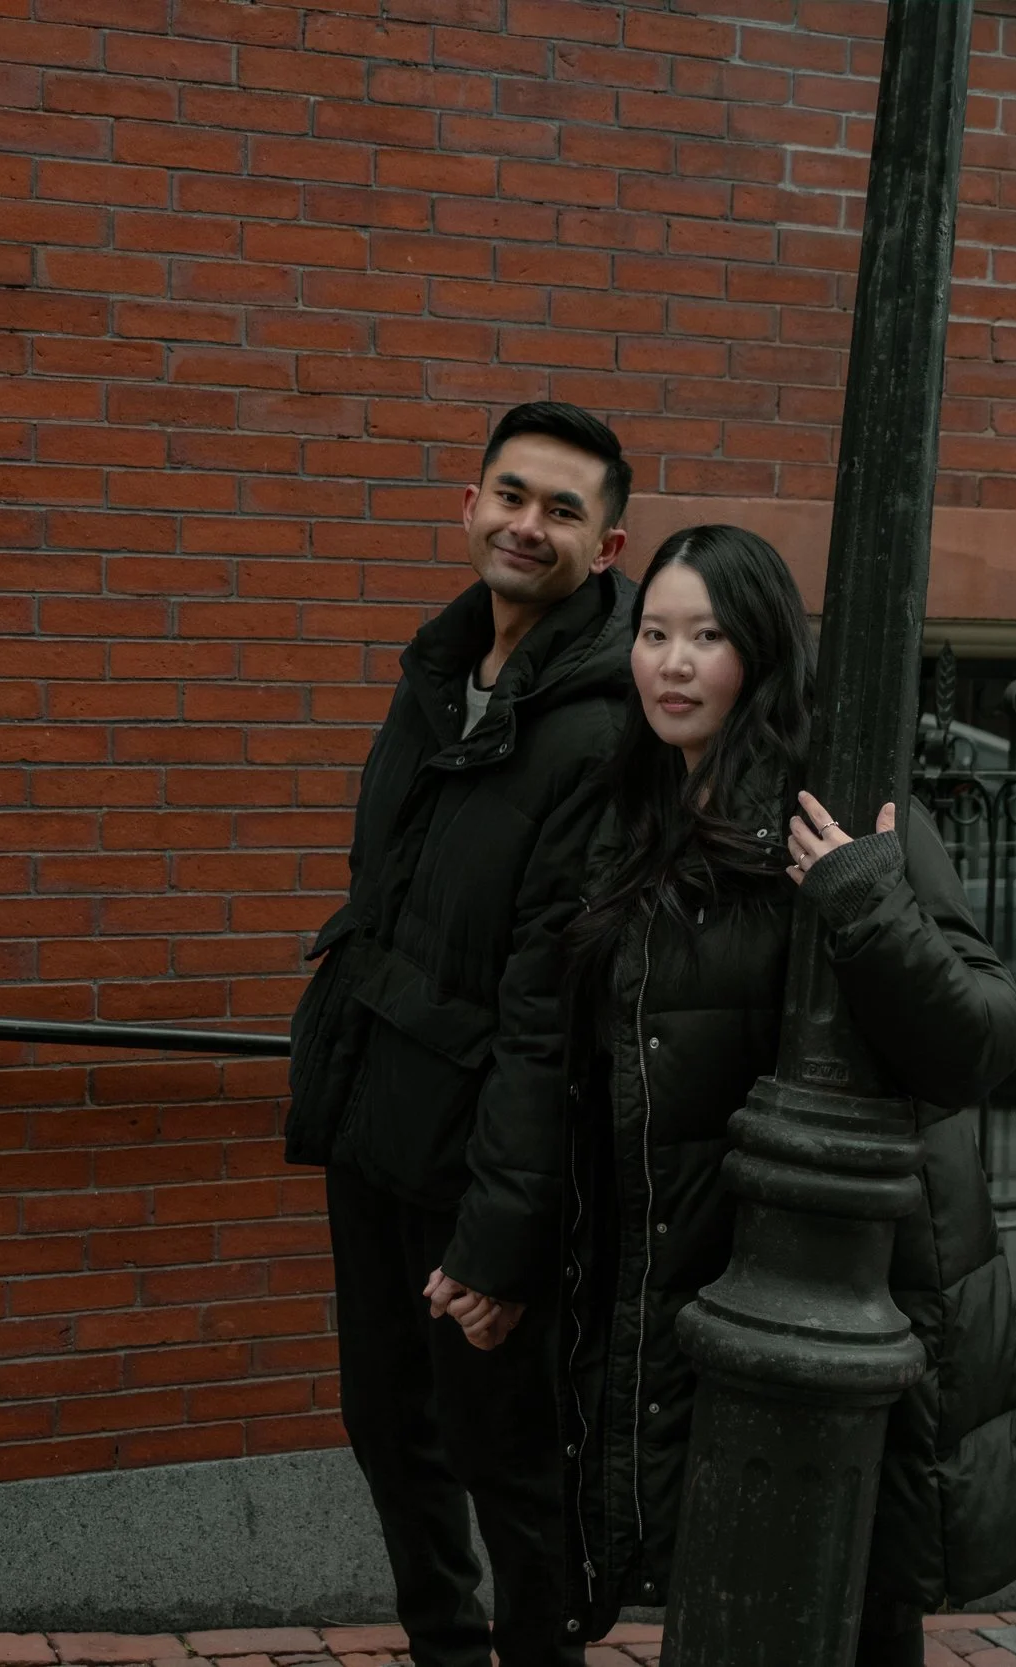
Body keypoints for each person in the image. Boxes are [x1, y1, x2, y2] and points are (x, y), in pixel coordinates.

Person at [542, 524, 1016, 1663]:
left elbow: (983, 1039)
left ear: (759, 651)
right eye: (653, 633)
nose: (671, 662)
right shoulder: (630, 817)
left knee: (851, 1607)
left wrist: (861, 899)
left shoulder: (845, 813)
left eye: (705, 637)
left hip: (853, 1301)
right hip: (702, 1286)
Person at [284, 401, 637, 1667]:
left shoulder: (598, 727)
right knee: (385, 1419)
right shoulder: (439, 676)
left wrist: (501, 1236)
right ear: (470, 503)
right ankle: (446, 1650)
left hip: (486, 1157)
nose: (526, 524)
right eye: (510, 495)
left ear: (605, 549)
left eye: (561, 509)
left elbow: (547, 1015)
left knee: (505, 1453)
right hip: (377, 1120)